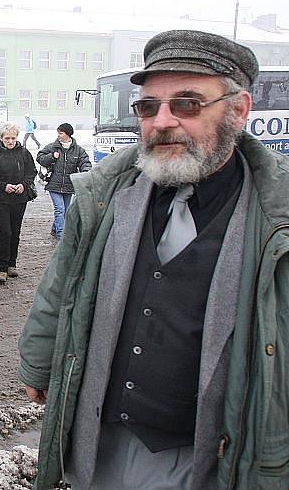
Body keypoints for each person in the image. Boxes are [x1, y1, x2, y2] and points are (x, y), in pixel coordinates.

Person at [18, 30, 289, 490]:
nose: (162, 121)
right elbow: (62, 283)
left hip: (213, 450)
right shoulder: (108, 193)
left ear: (239, 110)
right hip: (103, 440)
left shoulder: (275, 216)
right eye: (149, 106)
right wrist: (38, 362)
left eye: (187, 104)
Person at [0, 123, 37, 284]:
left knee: (15, 232)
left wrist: (24, 185)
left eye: (13, 138)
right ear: (1, 138)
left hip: (20, 199)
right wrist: (3, 186)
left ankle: (12, 263)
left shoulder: (24, 153)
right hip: (0, 200)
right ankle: (1, 268)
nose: (10, 141)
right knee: (5, 232)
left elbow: (31, 172)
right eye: (7, 138)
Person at [36, 122, 91, 239]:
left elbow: (85, 162)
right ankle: (61, 234)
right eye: (58, 133)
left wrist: (86, 173)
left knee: (66, 210)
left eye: (61, 133)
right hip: (54, 185)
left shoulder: (78, 150)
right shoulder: (52, 147)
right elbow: (40, 157)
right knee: (59, 209)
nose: (58, 135)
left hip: (69, 185)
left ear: (68, 134)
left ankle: (55, 229)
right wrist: (51, 156)